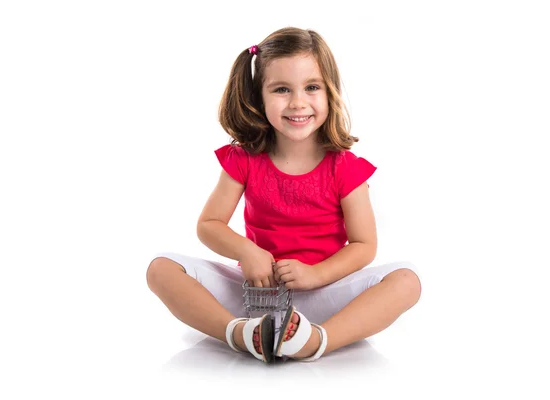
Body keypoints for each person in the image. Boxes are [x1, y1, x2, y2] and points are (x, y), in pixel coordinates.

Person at [146, 26, 421, 363]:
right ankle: (240, 333)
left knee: (407, 280)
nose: (297, 103)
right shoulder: (243, 158)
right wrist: (247, 252)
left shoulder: (345, 167)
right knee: (161, 269)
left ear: (330, 92)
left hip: (324, 295)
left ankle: (317, 339)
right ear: (258, 96)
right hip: (255, 295)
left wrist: (316, 274)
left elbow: (365, 246)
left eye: (312, 87)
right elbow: (209, 224)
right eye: (281, 89)